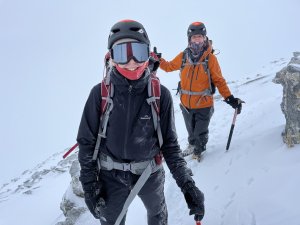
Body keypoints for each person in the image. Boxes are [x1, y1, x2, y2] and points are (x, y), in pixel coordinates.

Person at [77, 19, 205, 225]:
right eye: (122, 53)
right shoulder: (100, 94)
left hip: (150, 173)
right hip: (111, 176)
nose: (131, 61)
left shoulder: (159, 95)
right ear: (111, 57)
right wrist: (90, 187)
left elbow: (170, 145)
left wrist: (188, 185)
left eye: (138, 51)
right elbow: (86, 143)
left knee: (157, 216)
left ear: (148, 53)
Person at [156, 21, 243, 160]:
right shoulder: (184, 56)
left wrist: (230, 98)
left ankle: (198, 151)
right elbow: (169, 66)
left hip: (204, 104)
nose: (197, 40)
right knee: (191, 131)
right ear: (189, 39)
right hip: (185, 104)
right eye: (194, 37)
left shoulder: (211, 59)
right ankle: (192, 145)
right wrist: (158, 60)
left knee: (200, 133)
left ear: (205, 38)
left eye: (200, 37)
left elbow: (219, 81)